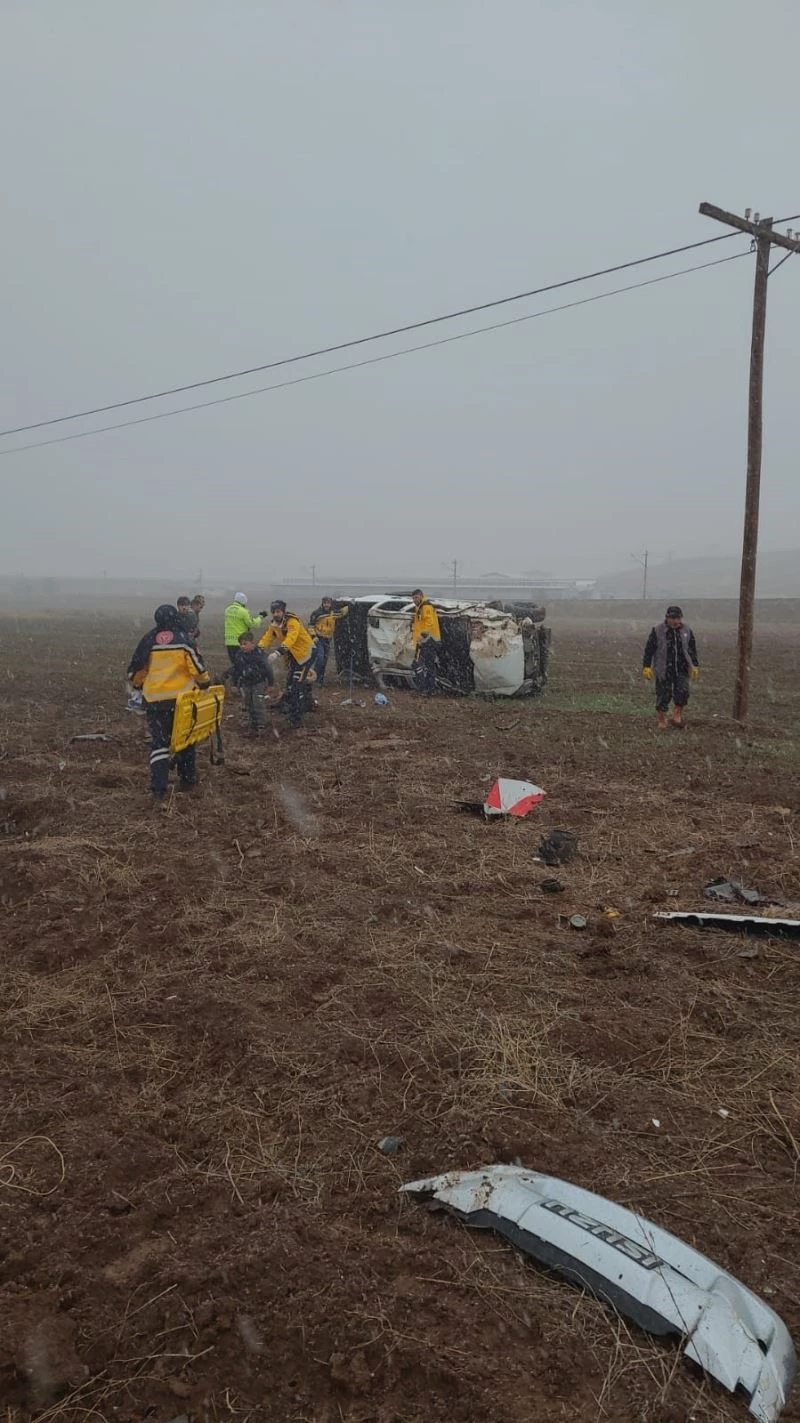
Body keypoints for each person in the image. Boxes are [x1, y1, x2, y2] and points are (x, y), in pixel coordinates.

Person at [127, 604, 211, 799]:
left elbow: (136, 670)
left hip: (155, 702)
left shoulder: (148, 639)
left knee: (159, 744)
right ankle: (188, 779)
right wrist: (205, 683)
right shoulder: (184, 639)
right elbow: (197, 667)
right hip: (182, 701)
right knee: (186, 739)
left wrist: (139, 685)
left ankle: (158, 788)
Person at [258, 600, 315, 728]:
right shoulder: (274, 625)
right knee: (290, 683)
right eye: (273, 612)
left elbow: (291, 639)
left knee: (296, 684)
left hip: (306, 655)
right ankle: (297, 705)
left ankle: (297, 718)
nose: (275, 614)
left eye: (278, 611)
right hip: (294, 656)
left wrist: (278, 652)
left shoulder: (292, 622)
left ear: (283, 612)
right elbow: (267, 637)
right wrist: (258, 649)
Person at [643, 604, 700, 730]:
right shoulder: (657, 630)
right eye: (673, 618)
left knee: (683, 691)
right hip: (664, 667)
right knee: (663, 694)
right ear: (667, 618)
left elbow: (691, 649)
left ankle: (677, 715)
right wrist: (647, 666)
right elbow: (649, 650)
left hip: (682, 667)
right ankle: (662, 719)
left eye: (678, 618)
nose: (675, 621)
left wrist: (695, 665)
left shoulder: (686, 631)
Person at [224, 631, 273, 734]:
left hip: (259, 682)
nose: (242, 646)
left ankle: (262, 726)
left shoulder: (259, 653)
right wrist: (234, 684)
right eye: (241, 644)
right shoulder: (239, 655)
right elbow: (237, 670)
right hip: (246, 683)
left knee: (258, 703)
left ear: (252, 643)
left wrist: (270, 684)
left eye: (245, 644)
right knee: (248, 704)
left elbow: (268, 669)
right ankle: (253, 725)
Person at [308, 596, 350, 686]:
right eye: (325, 603)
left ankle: (320, 681)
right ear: (322, 603)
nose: (326, 605)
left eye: (328, 603)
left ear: (331, 604)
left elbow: (343, 612)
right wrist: (314, 636)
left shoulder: (333, 613)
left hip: (327, 639)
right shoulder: (316, 613)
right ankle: (314, 678)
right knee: (320, 659)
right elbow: (310, 626)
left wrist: (348, 604)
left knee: (324, 661)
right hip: (318, 639)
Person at [410, 588, 441, 695]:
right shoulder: (420, 607)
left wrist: (423, 635)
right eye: (413, 598)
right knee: (428, 665)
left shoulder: (425, 607)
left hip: (428, 640)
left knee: (419, 664)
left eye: (416, 597)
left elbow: (429, 622)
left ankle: (424, 688)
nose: (415, 600)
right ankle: (429, 688)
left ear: (422, 596)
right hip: (428, 640)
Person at [224, 593, 268, 663]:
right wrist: (260, 617)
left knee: (235, 664)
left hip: (229, 642)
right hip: (241, 642)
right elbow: (253, 624)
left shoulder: (227, 610)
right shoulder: (243, 611)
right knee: (244, 664)